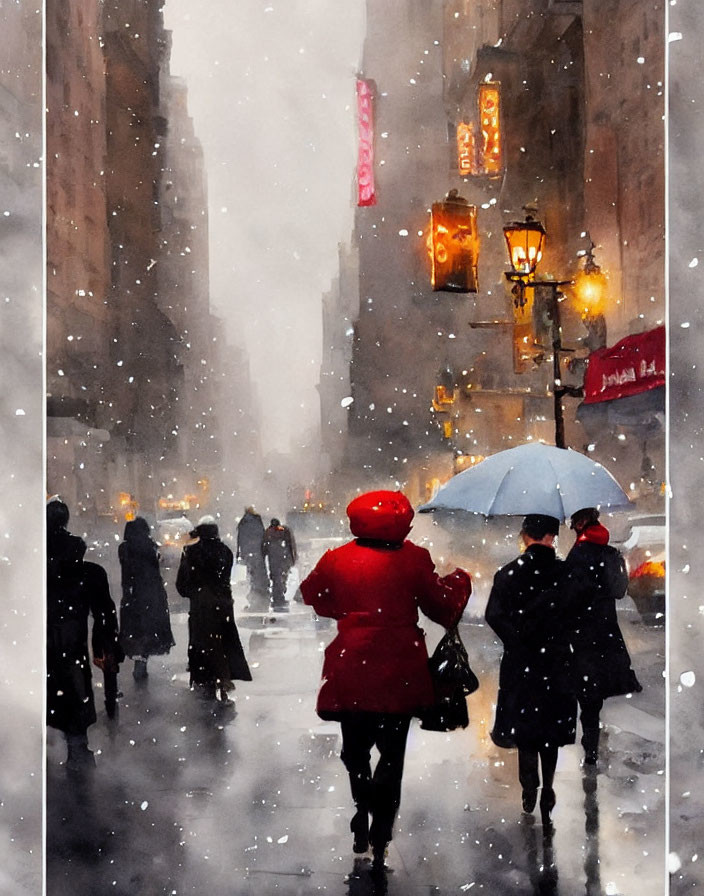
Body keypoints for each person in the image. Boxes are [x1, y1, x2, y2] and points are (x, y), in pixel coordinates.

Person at [300, 490, 471, 868]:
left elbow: (312, 595)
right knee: (392, 755)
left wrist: (348, 612)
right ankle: (381, 829)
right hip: (401, 670)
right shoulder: (414, 560)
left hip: (351, 666)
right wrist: (460, 581)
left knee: (355, 750)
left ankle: (361, 806)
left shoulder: (337, 559)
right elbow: (442, 609)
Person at [485, 513, 578, 828]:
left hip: (521, 663)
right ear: (553, 537)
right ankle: (549, 787)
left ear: (525, 536)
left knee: (526, 729)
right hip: (556, 660)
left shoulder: (508, 573)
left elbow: (494, 615)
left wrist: (517, 641)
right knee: (550, 729)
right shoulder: (567, 573)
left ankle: (529, 788)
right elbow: (579, 616)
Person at [47, 498, 122, 771]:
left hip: (44, 641)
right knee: (73, 689)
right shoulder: (86, 572)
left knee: (50, 689)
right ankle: (77, 747)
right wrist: (106, 647)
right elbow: (103, 614)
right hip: (71, 640)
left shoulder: (39, 567)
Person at [565, 507, 642, 766]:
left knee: (585, 691)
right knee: (594, 691)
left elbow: (571, 594)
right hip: (606, 630)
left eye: (574, 523)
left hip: (582, 632)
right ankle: (592, 742)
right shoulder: (611, 553)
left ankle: (590, 744)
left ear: (581, 524)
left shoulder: (577, 555)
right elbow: (620, 590)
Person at [176, 515, 252, 705]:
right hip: (223, 605)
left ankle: (206, 682)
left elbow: (181, 585)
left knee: (202, 644)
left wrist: (194, 592)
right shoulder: (225, 552)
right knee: (223, 642)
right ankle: (224, 679)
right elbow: (225, 577)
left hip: (201, 606)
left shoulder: (191, 552)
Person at [118, 516, 175, 681]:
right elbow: (158, 566)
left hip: (133, 593)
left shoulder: (125, 549)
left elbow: (127, 572)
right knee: (149, 627)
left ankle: (139, 657)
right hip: (151, 592)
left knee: (135, 628)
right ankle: (143, 658)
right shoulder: (150, 547)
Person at [236, 506, 269, 607]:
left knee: (252, 573)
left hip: (248, 551)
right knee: (260, 573)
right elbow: (263, 535)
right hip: (258, 551)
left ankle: (256, 597)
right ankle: (261, 596)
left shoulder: (243, 522)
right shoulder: (258, 520)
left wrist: (239, 552)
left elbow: (240, 538)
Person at [262, 517, 297, 610]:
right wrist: (292, 557)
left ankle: (276, 598)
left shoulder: (268, 532)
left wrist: (263, 556)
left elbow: (264, 546)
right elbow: (289, 544)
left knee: (275, 578)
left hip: (272, 558)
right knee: (280, 578)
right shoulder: (283, 531)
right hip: (281, 558)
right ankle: (279, 598)